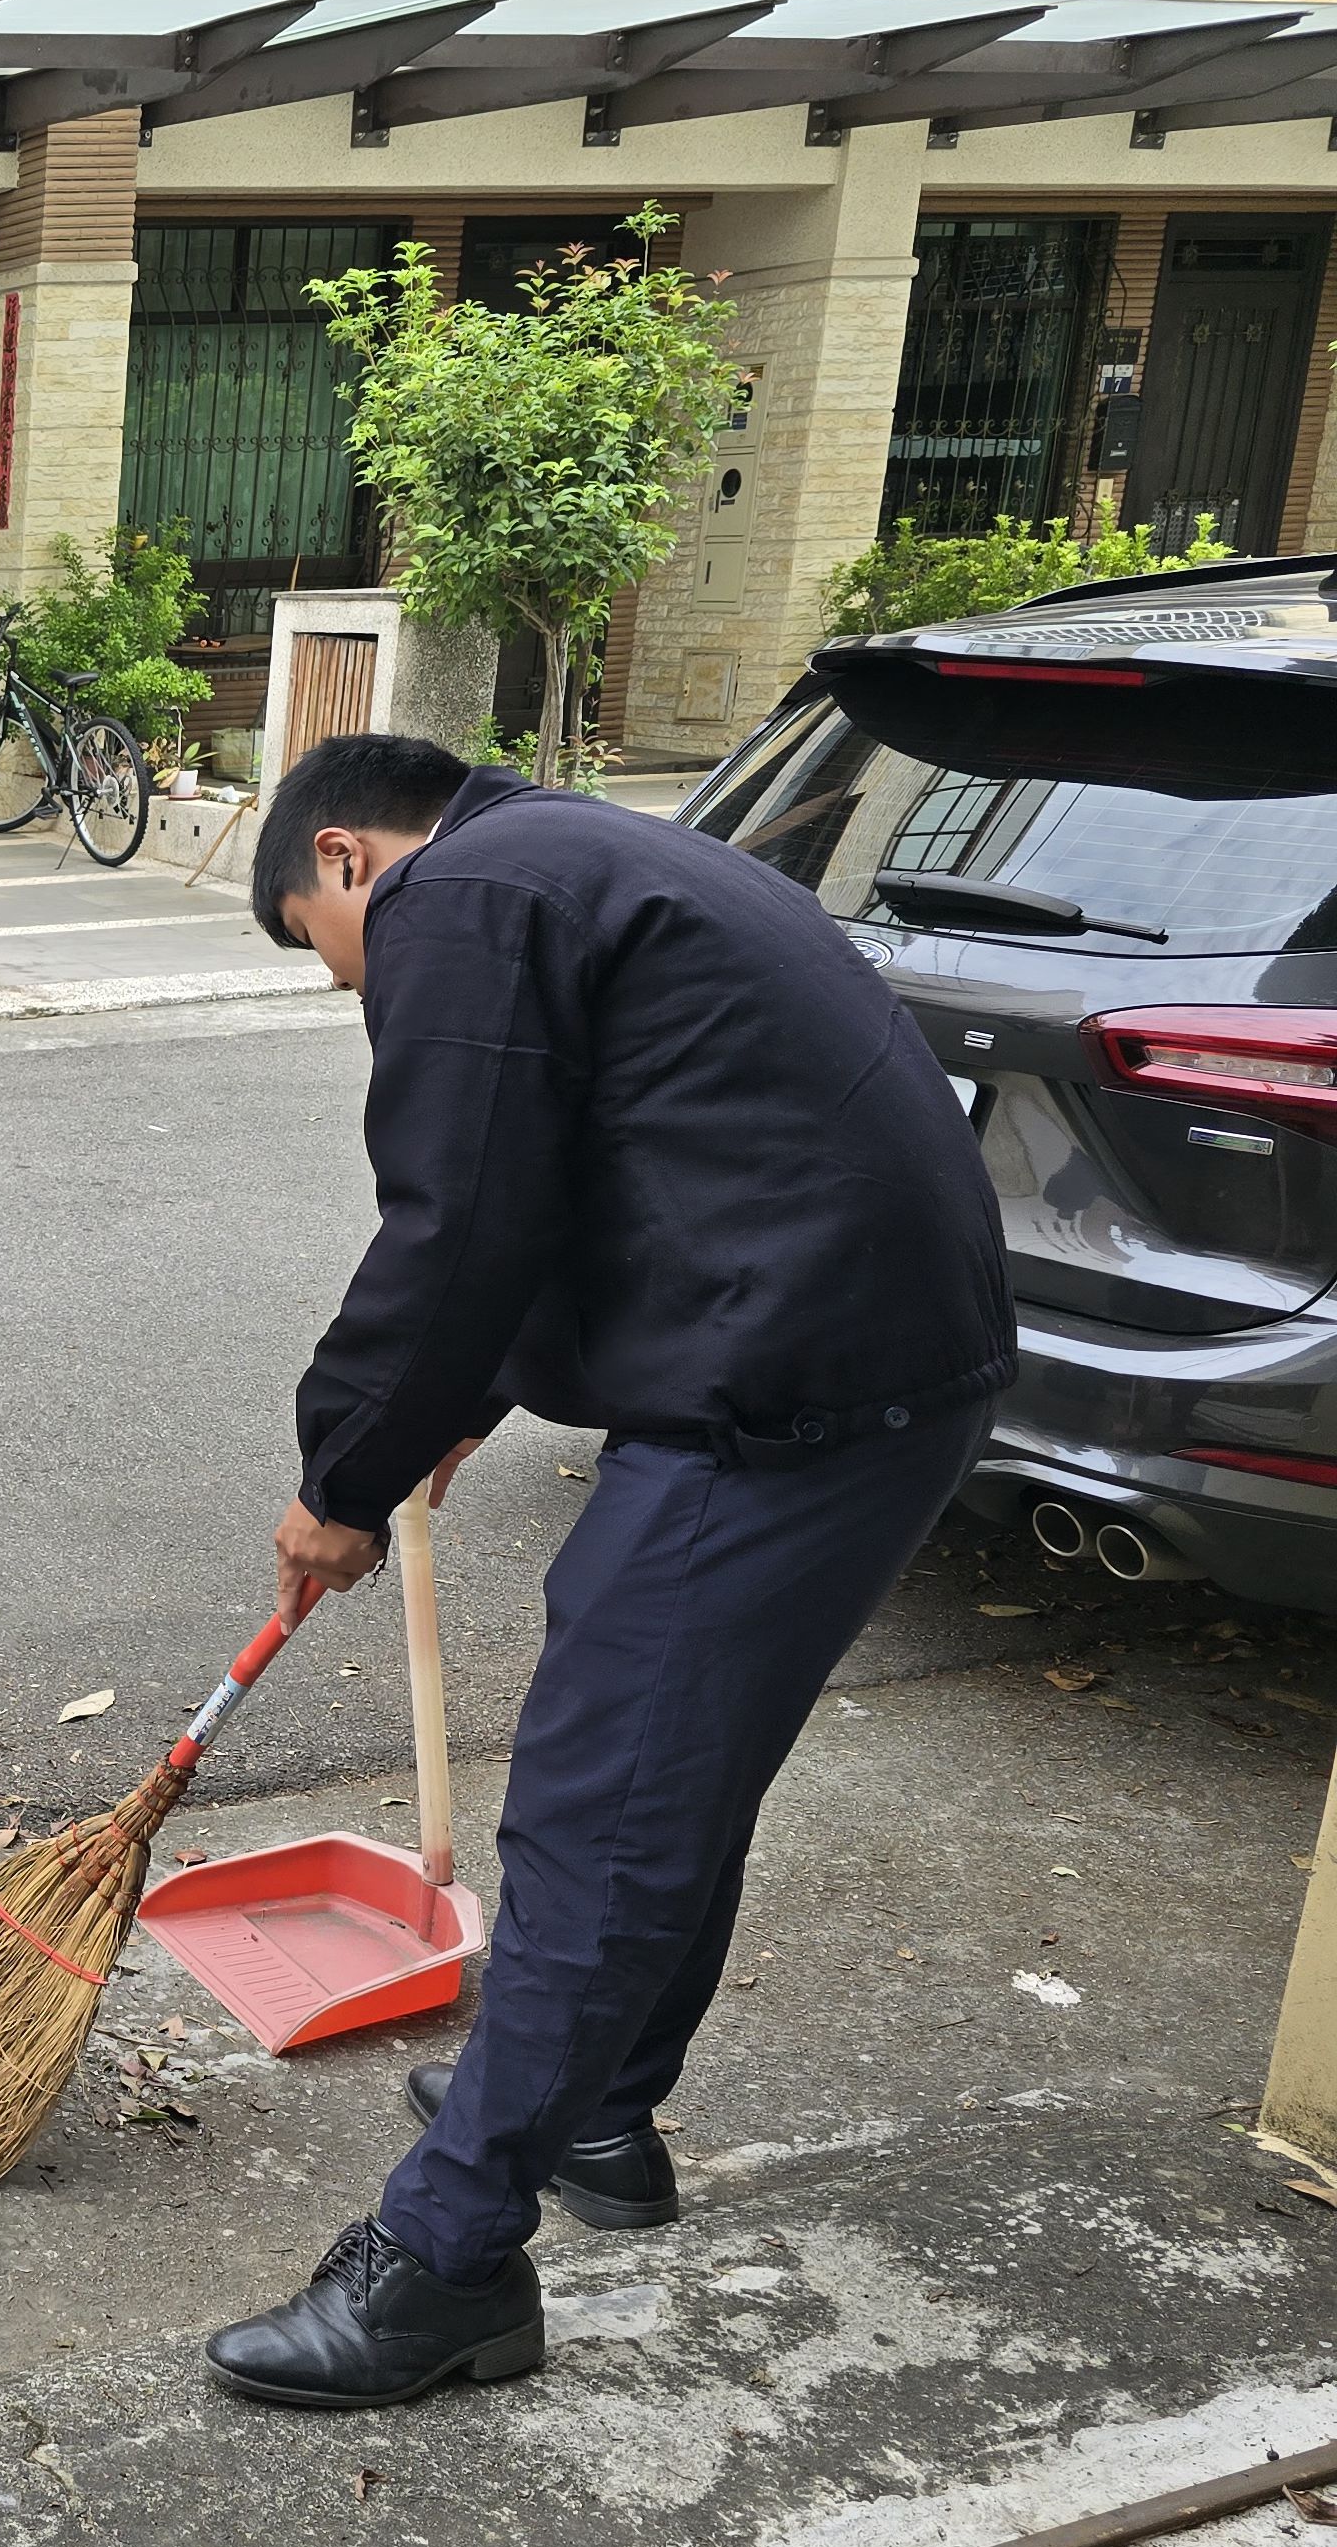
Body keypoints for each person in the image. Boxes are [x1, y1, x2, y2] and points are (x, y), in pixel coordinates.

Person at [205, 733, 1010, 2410]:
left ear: (348, 859)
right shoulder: (577, 858)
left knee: (598, 1809)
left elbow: (460, 1217)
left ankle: (444, 2269)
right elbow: (587, 1172)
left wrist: (341, 1476)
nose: (344, 980)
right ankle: (597, 2114)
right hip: (862, 1370)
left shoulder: (463, 896)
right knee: (671, 1774)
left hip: (785, 1394)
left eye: (316, 941)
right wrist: (455, 1405)